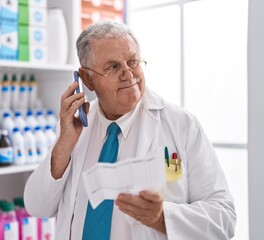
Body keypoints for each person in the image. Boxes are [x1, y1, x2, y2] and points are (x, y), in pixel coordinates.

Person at [24, 21, 236, 240]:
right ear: (87, 78)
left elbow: (224, 218)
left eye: (133, 61)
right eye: (113, 67)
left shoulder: (181, 125)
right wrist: (64, 145)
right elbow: (36, 206)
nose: (129, 74)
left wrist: (163, 217)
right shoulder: (75, 129)